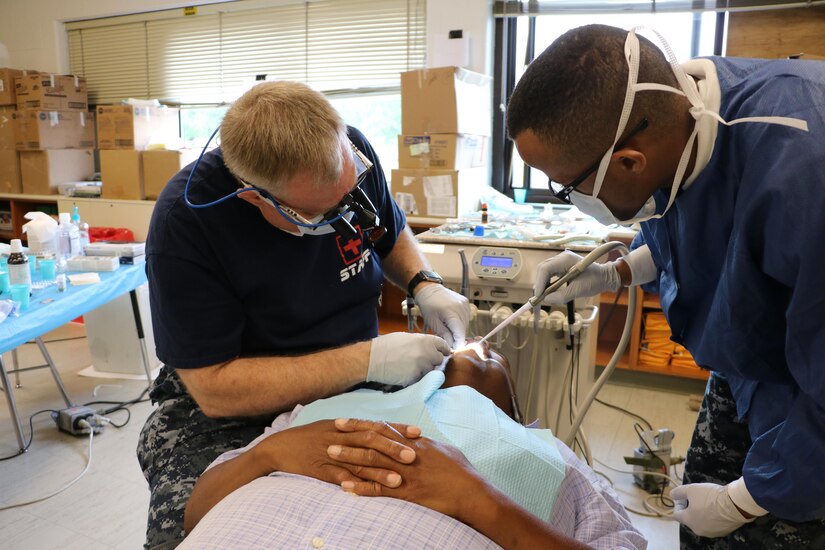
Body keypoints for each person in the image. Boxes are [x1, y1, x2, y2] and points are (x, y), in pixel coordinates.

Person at [505, 24, 825, 549]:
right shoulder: (680, 113)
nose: (569, 199)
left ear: (630, 160)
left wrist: (743, 501)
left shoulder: (803, 180)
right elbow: (712, 225)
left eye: (568, 188)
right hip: (750, 368)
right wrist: (617, 272)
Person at [138, 80, 471, 549]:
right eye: (325, 211)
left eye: (348, 194)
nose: (344, 214)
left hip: (361, 376)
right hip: (233, 403)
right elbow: (214, 388)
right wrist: (366, 362)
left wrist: (424, 284)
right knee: (193, 532)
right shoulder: (186, 225)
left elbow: (386, 231)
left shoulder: (351, 152)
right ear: (257, 199)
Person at [180, 343, 646, 549]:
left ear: (511, 405)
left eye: (488, 356)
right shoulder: (311, 415)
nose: (461, 357)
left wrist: (475, 499)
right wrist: (269, 453)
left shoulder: (549, 457)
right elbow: (195, 515)